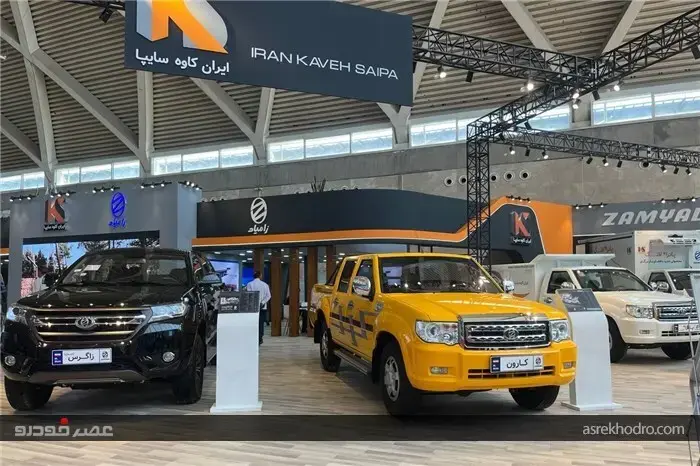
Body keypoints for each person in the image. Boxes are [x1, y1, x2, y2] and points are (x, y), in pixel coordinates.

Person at [246, 271, 271, 345]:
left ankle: (254, 338)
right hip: (262, 307)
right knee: (261, 323)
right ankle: (260, 338)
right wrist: (262, 302)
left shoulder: (249, 284)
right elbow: (268, 296)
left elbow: (249, 295)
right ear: (260, 276)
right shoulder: (265, 285)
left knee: (253, 323)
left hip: (252, 307)